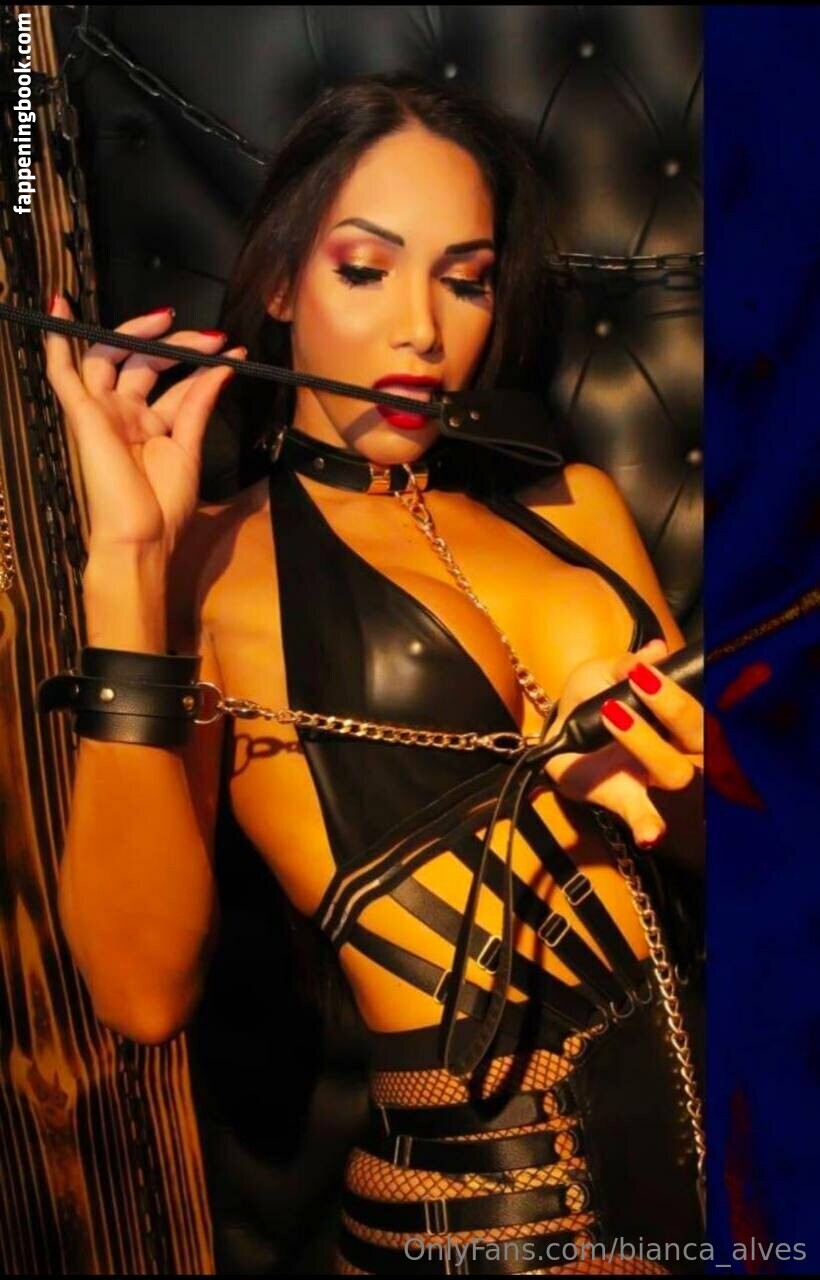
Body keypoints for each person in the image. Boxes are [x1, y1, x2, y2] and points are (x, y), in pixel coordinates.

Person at [44, 72, 705, 1276]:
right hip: (485, 1215)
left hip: (725, 1153)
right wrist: (129, 564)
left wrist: (693, 774)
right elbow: (140, 992)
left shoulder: (576, 506)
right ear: (282, 283)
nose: (422, 330)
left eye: (465, 278)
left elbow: (730, 854)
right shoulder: (205, 566)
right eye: (365, 269)